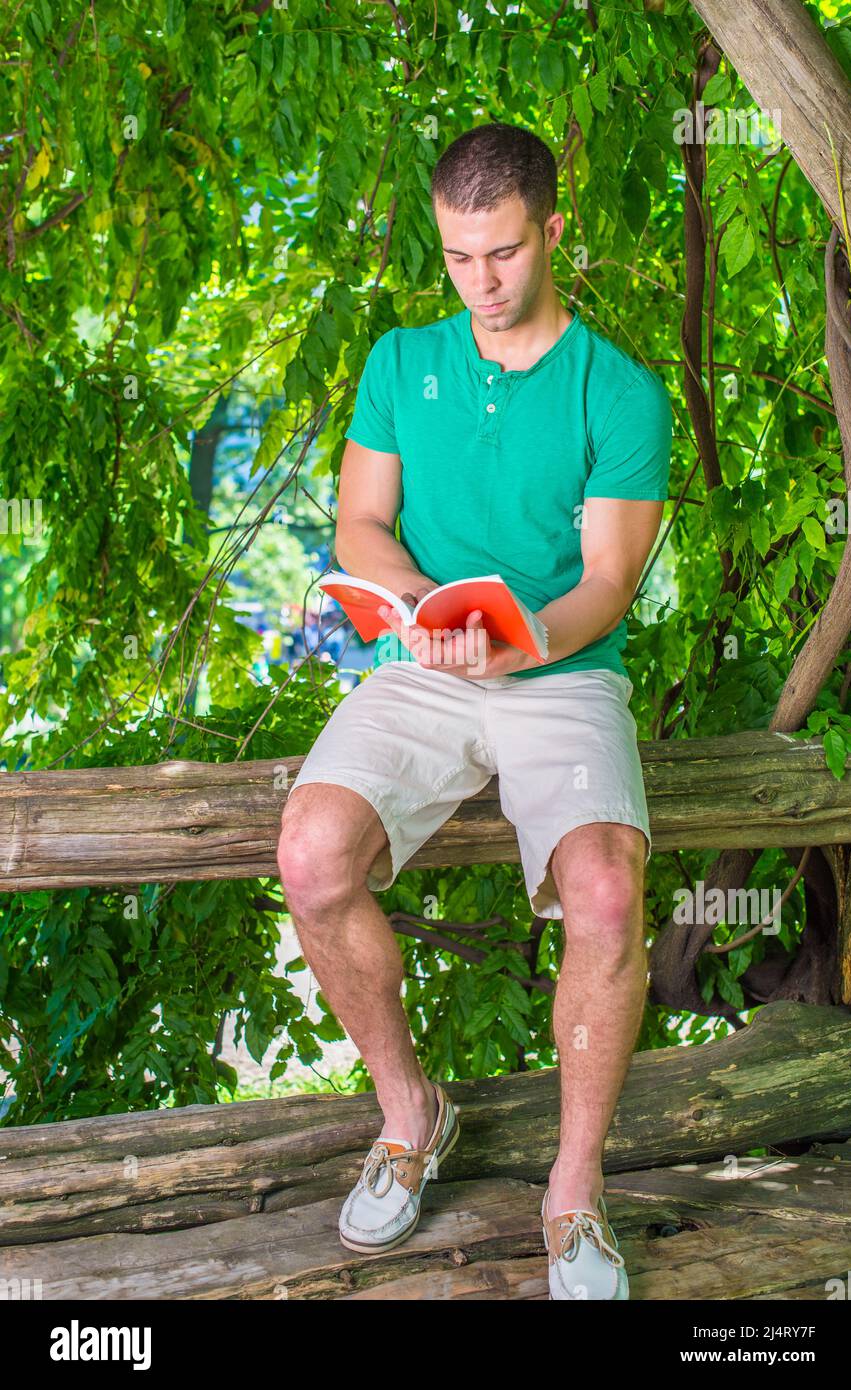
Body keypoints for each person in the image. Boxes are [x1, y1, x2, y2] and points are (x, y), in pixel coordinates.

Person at [278, 122, 672, 1301]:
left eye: (501, 253)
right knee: (308, 855)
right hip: (423, 663)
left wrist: (517, 641)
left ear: (553, 231)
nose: (481, 281)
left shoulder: (621, 390)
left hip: (561, 671)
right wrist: (418, 608)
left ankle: (573, 1189)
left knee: (605, 890)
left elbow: (605, 582)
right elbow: (360, 526)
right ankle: (411, 1113)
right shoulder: (400, 361)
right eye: (458, 256)